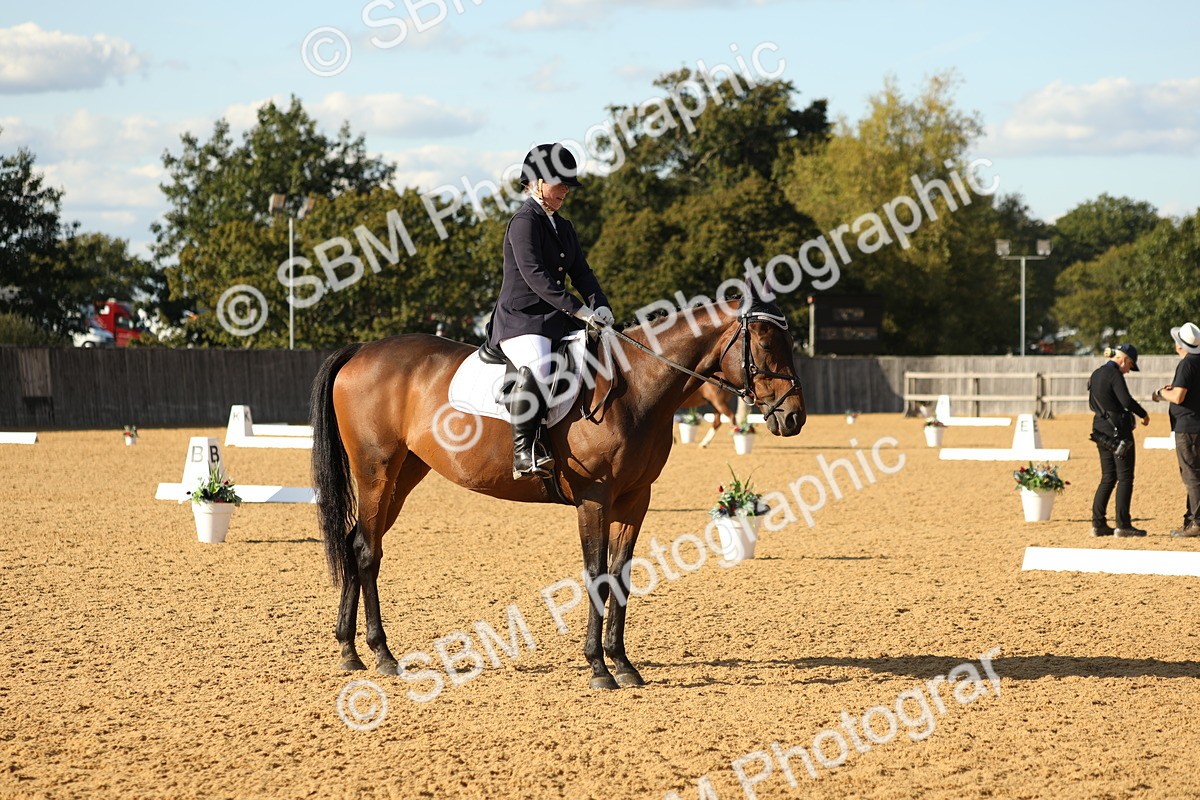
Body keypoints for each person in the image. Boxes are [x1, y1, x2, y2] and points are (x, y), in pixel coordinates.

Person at [486, 142, 614, 479]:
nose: (564, 192)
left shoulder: (564, 226)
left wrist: (600, 304)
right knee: (541, 367)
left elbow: (582, 272)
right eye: (559, 185)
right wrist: (580, 310)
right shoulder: (523, 222)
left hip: (555, 319)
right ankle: (523, 451)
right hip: (522, 319)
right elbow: (535, 276)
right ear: (538, 181)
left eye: (567, 187)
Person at [1088, 343, 1149, 537]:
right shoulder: (1115, 375)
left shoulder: (1096, 373)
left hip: (1099, 428)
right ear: (1123, 359)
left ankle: (1098, 524)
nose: (1129, 371)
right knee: (1125, 478)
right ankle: (1123, 525)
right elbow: (1126, 401)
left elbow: (1092, 402)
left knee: (1107, 477)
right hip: (1118, 432)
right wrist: (1143, 414)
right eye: (1130, 366)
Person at [1152, 322, 1200, 537]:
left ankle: (1196, 522)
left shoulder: (1187, 364)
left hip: (1188, 428)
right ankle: (1191, 520)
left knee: (1191, 475)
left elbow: (1178, 396)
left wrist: (1161, 393)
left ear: (1180, 345)